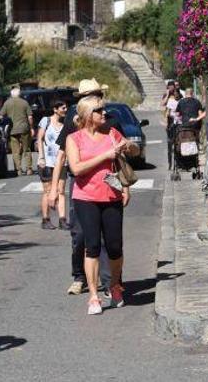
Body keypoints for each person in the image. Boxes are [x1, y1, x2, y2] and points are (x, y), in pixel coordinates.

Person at [66, 95, 135, 315]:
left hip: (111, 195)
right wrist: (105, 155)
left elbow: (127, 155)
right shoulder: (74, 139)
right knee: (92, 246)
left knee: (115, 247)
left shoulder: (112, 134)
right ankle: (94, 296)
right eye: (99, 110)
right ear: (87, 115)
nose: (104, 114)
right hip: (85, 198)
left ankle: (114, 285)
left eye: (104, 110)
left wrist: (129, 147)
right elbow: (76, 169)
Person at [46, 79, 112, 296]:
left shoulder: (107, 118)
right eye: (90, 95)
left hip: (106, 181)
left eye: (97, 94)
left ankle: (107, 281)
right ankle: (79, 277)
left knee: (104, 236)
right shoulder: (74, 120)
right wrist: (54, 188)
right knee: (80, 234)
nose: (95, 99)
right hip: (81, 182)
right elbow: (62, 155)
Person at [36, 100, 68, 230]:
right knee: (48, 190)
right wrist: (41, 156)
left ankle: (62, 219)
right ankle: (46, 219)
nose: (65, 110)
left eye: (66, 108)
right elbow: (39, 138)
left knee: (61, 190)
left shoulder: (65, 124)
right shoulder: (46, 121)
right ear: (55, 109)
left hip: (61, 162)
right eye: (63, 108)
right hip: (47, 161)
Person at [0, 85, 35, 176]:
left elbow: (1, 116)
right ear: (19, 94)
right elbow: (30, 117)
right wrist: (31, 128)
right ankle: (29, 169)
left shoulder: (7, 103)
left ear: (11, 94)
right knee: (26, 149)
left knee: (15, 151)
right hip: (24, 128)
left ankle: (18, 170)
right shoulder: (24, 103)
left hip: (12, 130)